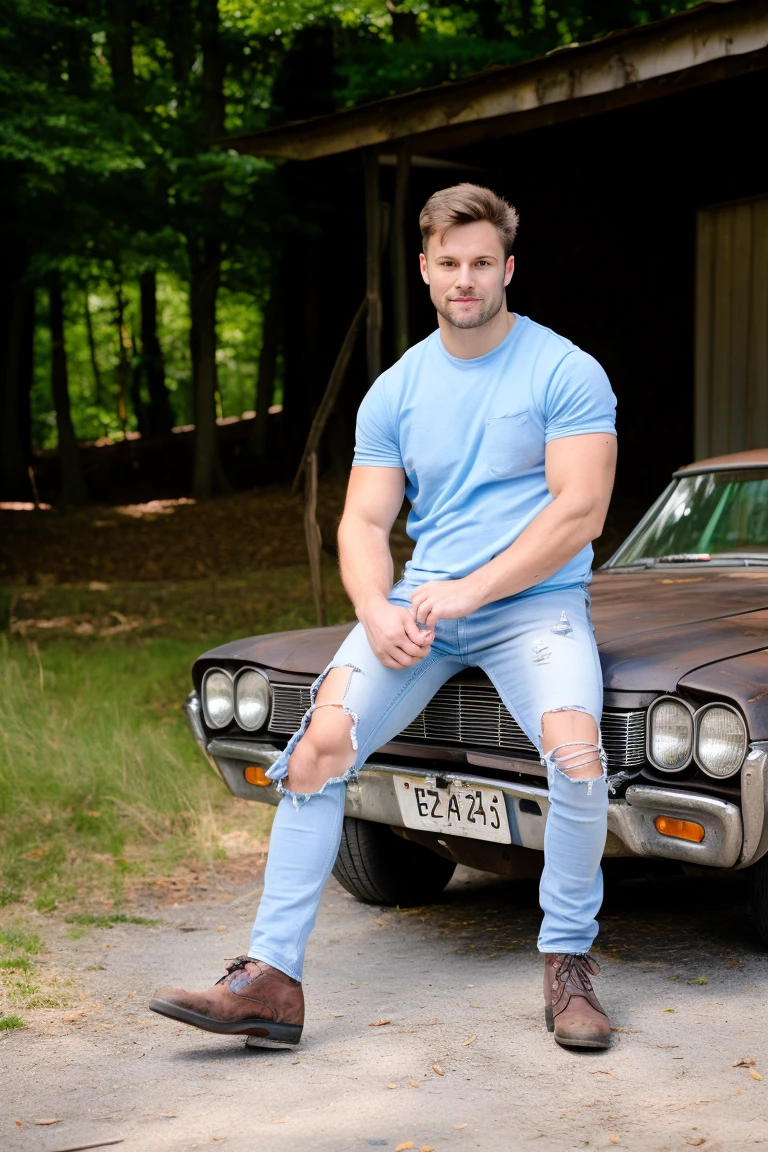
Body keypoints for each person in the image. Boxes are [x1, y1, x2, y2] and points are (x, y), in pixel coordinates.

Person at [150, 183, 618, 1051]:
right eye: (450, 264)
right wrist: (374, 607)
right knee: (319, 745)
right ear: (425, 269)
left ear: (508, 268)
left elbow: (579, 512)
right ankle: (270, 981)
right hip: (420, 608)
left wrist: (474, 590)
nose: (466, 279)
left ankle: (569, 965)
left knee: (578, 752)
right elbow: (364, 523)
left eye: (482, 263)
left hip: (534, 609)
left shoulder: (566, 370)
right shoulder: (396, 388)